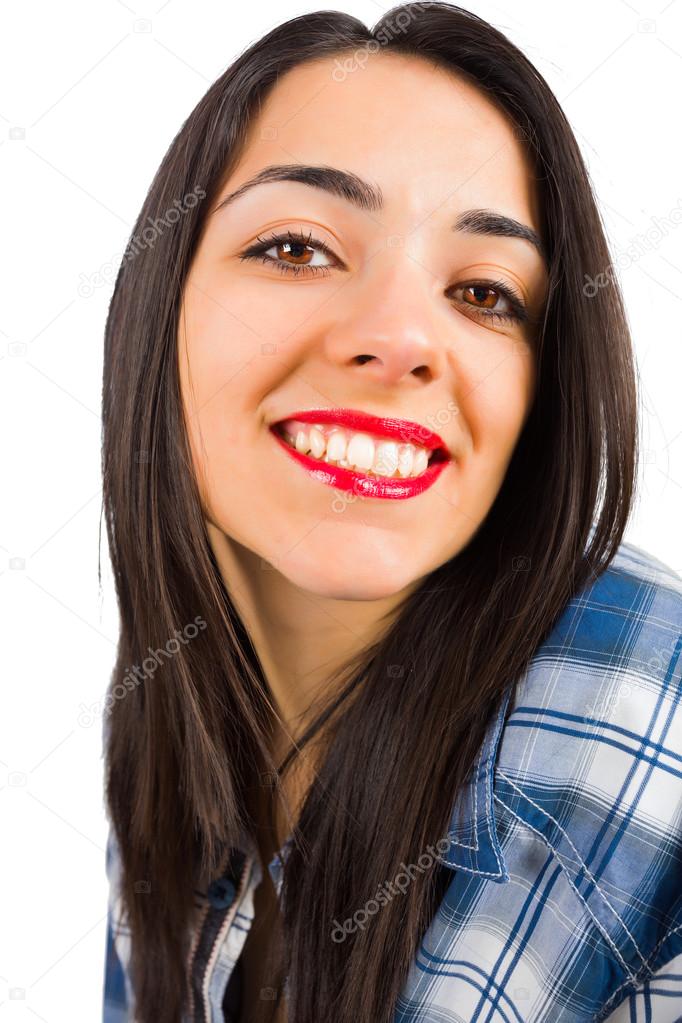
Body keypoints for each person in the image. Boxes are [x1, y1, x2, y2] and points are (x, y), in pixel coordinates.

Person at [100, 4, 682, 1021]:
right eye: (297, 247)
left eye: (485, 292)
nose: (403, 337)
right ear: (160, 308)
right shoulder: (171, 731)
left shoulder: (644, 707)